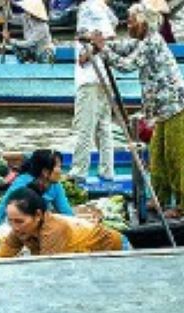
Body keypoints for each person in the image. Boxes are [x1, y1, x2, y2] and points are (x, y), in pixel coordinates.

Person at [93, 3, 184, 219]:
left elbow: (127, 65)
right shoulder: (142, 41)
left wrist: (103, 49)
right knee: (157, 157)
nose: (127, 25)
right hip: (160, 111)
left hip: (177, 107)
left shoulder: (152, 42)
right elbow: (124, 48)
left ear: (143, 22)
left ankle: (182, 206)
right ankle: (160, 199)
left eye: (130, 21)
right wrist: (104, 45)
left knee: (175, 158)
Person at [0, 187, 123, 313]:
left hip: (114, 251)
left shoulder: (54, 231)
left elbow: (46, 275)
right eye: (10, 221)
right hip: (86, 259)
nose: (15, 227)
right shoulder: (20, 230)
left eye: (19, 221)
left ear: (38, 215)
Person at [72, 0, 117, 183]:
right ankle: (107, 170)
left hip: (89, 79)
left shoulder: (88, 7)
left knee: (85, 128)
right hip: (103, 79)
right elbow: (111, 30)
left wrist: (89, 51)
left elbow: (99, 41)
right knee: (103, 127)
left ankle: (79, 172)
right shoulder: (104, 9)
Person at [0, 149, 74, 224]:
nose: (61, 170)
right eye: (58, 166)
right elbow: (3, 207)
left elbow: (66, 212)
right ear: (45, 172)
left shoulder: (55, 185)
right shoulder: (22, 184)